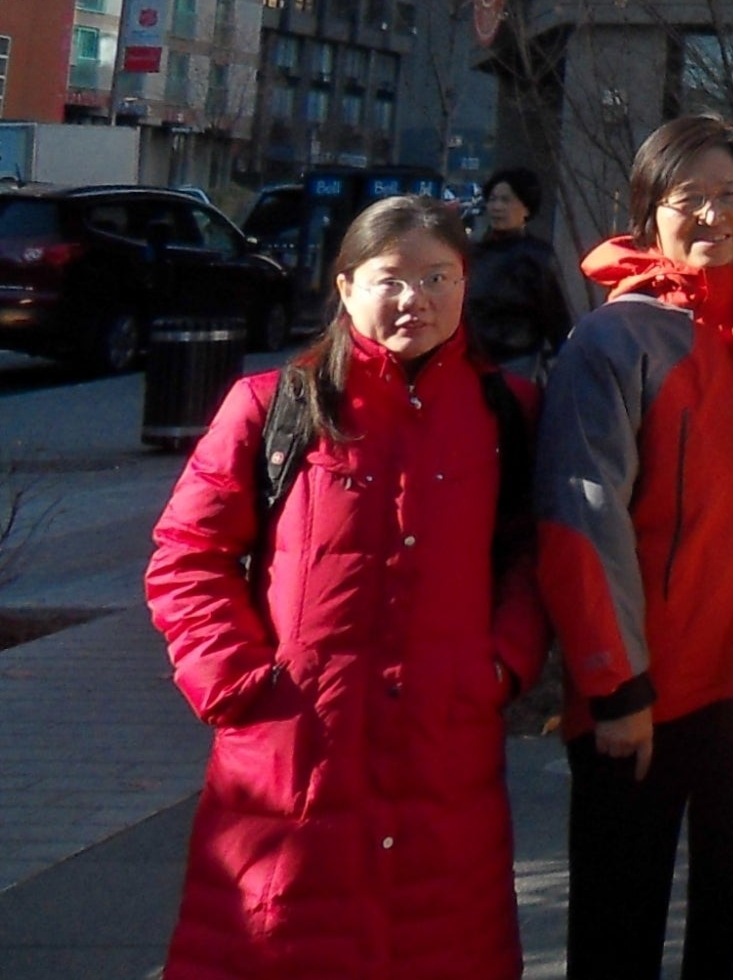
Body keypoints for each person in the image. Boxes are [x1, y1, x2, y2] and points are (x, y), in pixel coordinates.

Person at [147, 196, 546, 978]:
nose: (416, 300)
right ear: (346, 286)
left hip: (446, 756)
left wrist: (502, 665)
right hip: (293, 760)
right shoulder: (274, 405)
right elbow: (185, 553)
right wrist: (236, 683)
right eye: (391, 279)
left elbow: (531, 561)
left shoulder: (508, 413)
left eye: (439, 277)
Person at [537, 115, 733, 980]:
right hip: (642, 695)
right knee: (621, 923)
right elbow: (579, 519)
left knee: (731, 922)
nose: (712, 216)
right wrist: (614, 686)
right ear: (647, 209)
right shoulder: (615, 339)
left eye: (732, 195)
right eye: (688, 197)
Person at [466, 164, 571, 375]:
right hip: (470, 360)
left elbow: (556, 316)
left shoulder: (537, 256)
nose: (496, 207)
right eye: (493, 199)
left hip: (515, 363)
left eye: (506, 200)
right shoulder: (474, 252)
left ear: (526, 208)